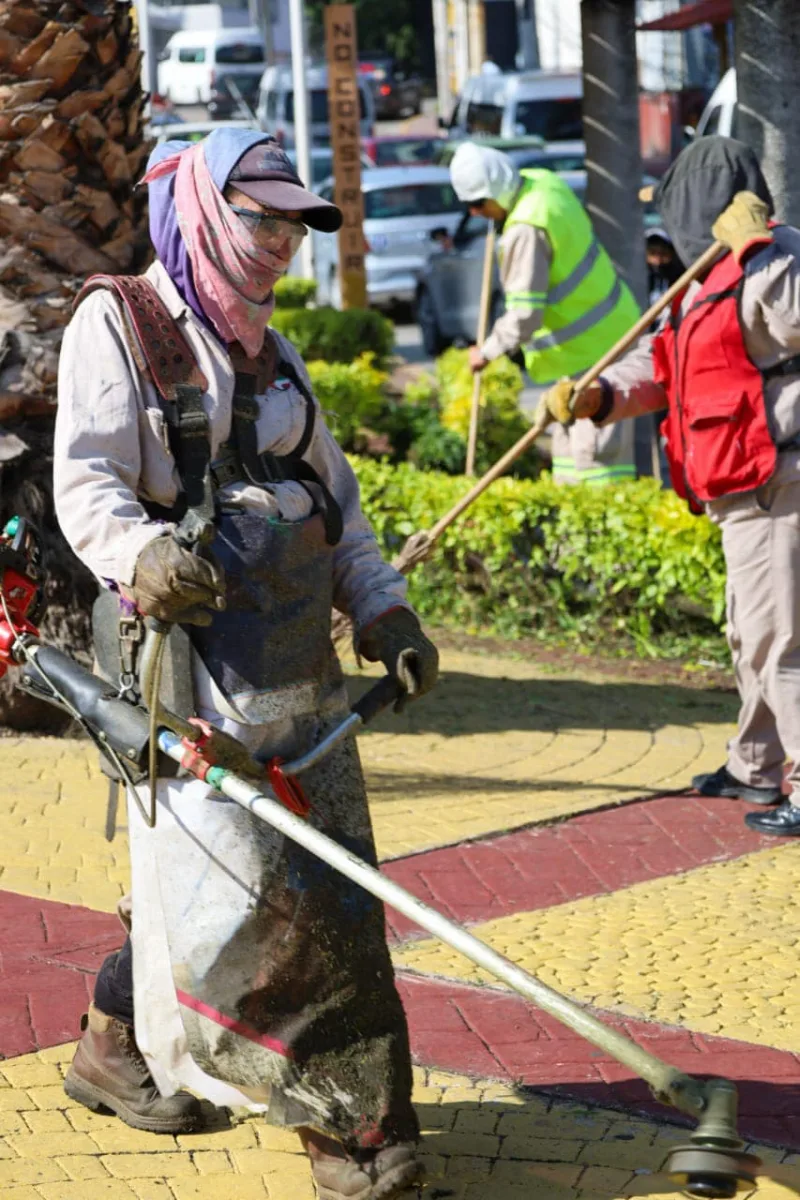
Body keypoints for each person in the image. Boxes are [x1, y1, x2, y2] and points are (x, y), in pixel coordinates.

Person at [53, 129, 439, 1199]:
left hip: (292, 671)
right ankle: (351, 1136)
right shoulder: (120, 323)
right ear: (207, 213)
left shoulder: (272, 352)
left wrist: (384, 608)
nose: (278, 244)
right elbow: (84, 484)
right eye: (259, 219)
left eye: (293, 225)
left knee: (293, 887)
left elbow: (337, 504)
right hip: (179, 664)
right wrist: (143, 553)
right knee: (247, 896)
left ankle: (110, 1043)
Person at [536, 136, 800, 838]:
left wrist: (758, 250)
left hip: (781, 479)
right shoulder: (698, 284)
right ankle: (755, 764)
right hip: (738, 487)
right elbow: (662, 368)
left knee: (783, 641)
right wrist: (595, 398)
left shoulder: (773, 256)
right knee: (753, 633)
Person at [448, 141, 640, 486]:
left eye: (478, 203)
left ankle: (599, 531)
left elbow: (525, 315)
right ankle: (568, 531)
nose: (475, 213)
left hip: (593, 352)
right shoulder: (543, 183)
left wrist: (486, 352)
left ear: (498, 192)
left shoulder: (526, 229)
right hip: (594, 344)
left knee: (593, 457)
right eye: (468, 206)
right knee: (567, 454)